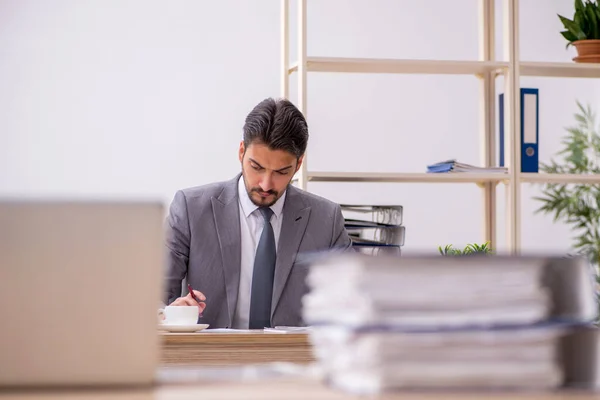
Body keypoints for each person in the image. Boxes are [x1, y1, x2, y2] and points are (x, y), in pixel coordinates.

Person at [163, 97, 352, 329]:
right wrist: (171, 313)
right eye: (257, 167)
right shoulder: (191, 209)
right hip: (211, 358)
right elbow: (154, 296)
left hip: (294, 360)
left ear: (299, 164)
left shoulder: (326, 220)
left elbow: (352, 302)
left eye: (281, 171)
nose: (265, 184)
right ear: (241, 152)